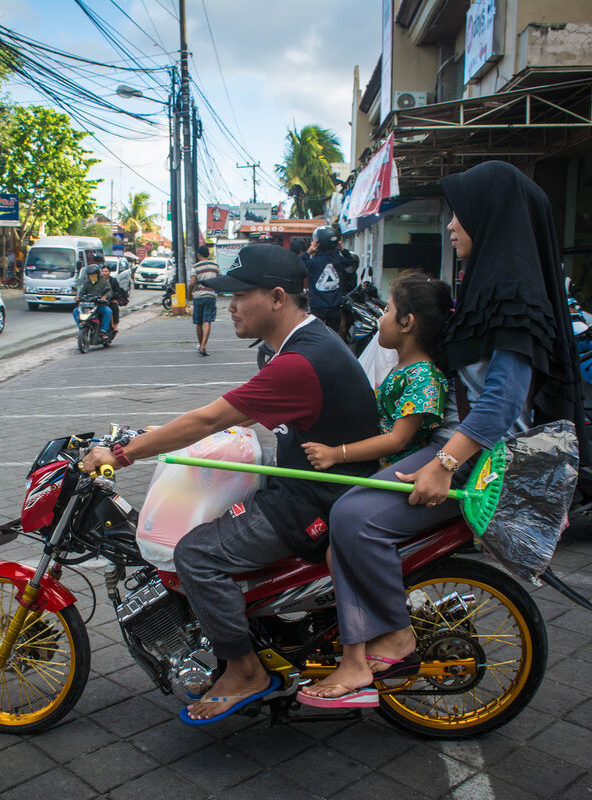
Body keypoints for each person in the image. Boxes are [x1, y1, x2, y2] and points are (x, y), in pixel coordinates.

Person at [298, 161, 581, 707]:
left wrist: (442, 464)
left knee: (356, 518)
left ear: (489, 217)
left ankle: (395, 636)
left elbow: (500, 403)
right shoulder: (483, 285)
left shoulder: (513, 299)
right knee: (346, 513)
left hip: (479, 459)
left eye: (460, 214)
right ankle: (363, 643)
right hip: (453, 446)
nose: (450, 225)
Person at [80, 244, 382, 724]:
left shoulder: (299, 362)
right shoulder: (307, 344)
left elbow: (211, 417)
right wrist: (150, 437)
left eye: (240, 296)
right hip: (314, 489)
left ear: (277, 297)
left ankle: (244, 670)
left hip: (317, 503)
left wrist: (121, 453)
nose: (231, 307)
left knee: (196, 554)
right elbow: (230, 414)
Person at [297, 271, 453, 706]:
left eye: (386, 309)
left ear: (406, 323)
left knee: (347, 525)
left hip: (406, 473)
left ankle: (386, 639)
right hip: (387, 471)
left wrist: (337, 453)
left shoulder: (423, 376)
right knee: (333, 548)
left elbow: (400, 440)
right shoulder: (401, 369)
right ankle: (358, 646)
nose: (380, 318)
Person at [305, 226, 348, 335]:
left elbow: (297, 264)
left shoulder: (313, 263)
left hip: (317, 307)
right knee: (332, 335)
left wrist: (309, 251)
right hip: (335, 308)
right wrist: (342, 249)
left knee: (316, 335)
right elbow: (351, 261)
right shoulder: (338, 260)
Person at [189, 244, 219, 356]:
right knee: (207, 322)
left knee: (198, 323)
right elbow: (219, 281)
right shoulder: (215, 266)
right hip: (210, 296)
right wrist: (215, 292)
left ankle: (200, 344)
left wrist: (189, 294)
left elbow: (192, 283)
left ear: (199, 254)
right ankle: (203, 346)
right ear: (208, 254)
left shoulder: (195, 267)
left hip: (198, 296)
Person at [72, 263, 114, 338]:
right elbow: (82, 293)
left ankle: (103, 331)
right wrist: (78, 297)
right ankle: (81, 328)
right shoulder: (86, 283)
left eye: (94, 274)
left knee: (108, 311)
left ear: (97, 274)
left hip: (99, 305)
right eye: (90, 275)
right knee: (75, 311)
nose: (92, 276)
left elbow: (109, 291)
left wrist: (104, 297)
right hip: (87, 305)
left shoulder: (103, 282)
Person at [99, 265, 128, 331]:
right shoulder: (98, 280)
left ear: (109, 272)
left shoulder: (113, 280)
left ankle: (115, 325)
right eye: (103, 271)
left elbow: (117, 292)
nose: (104, 273)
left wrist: (109, 296)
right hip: (99, 299)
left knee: (114, 306)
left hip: (111, 299)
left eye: (106, 271)